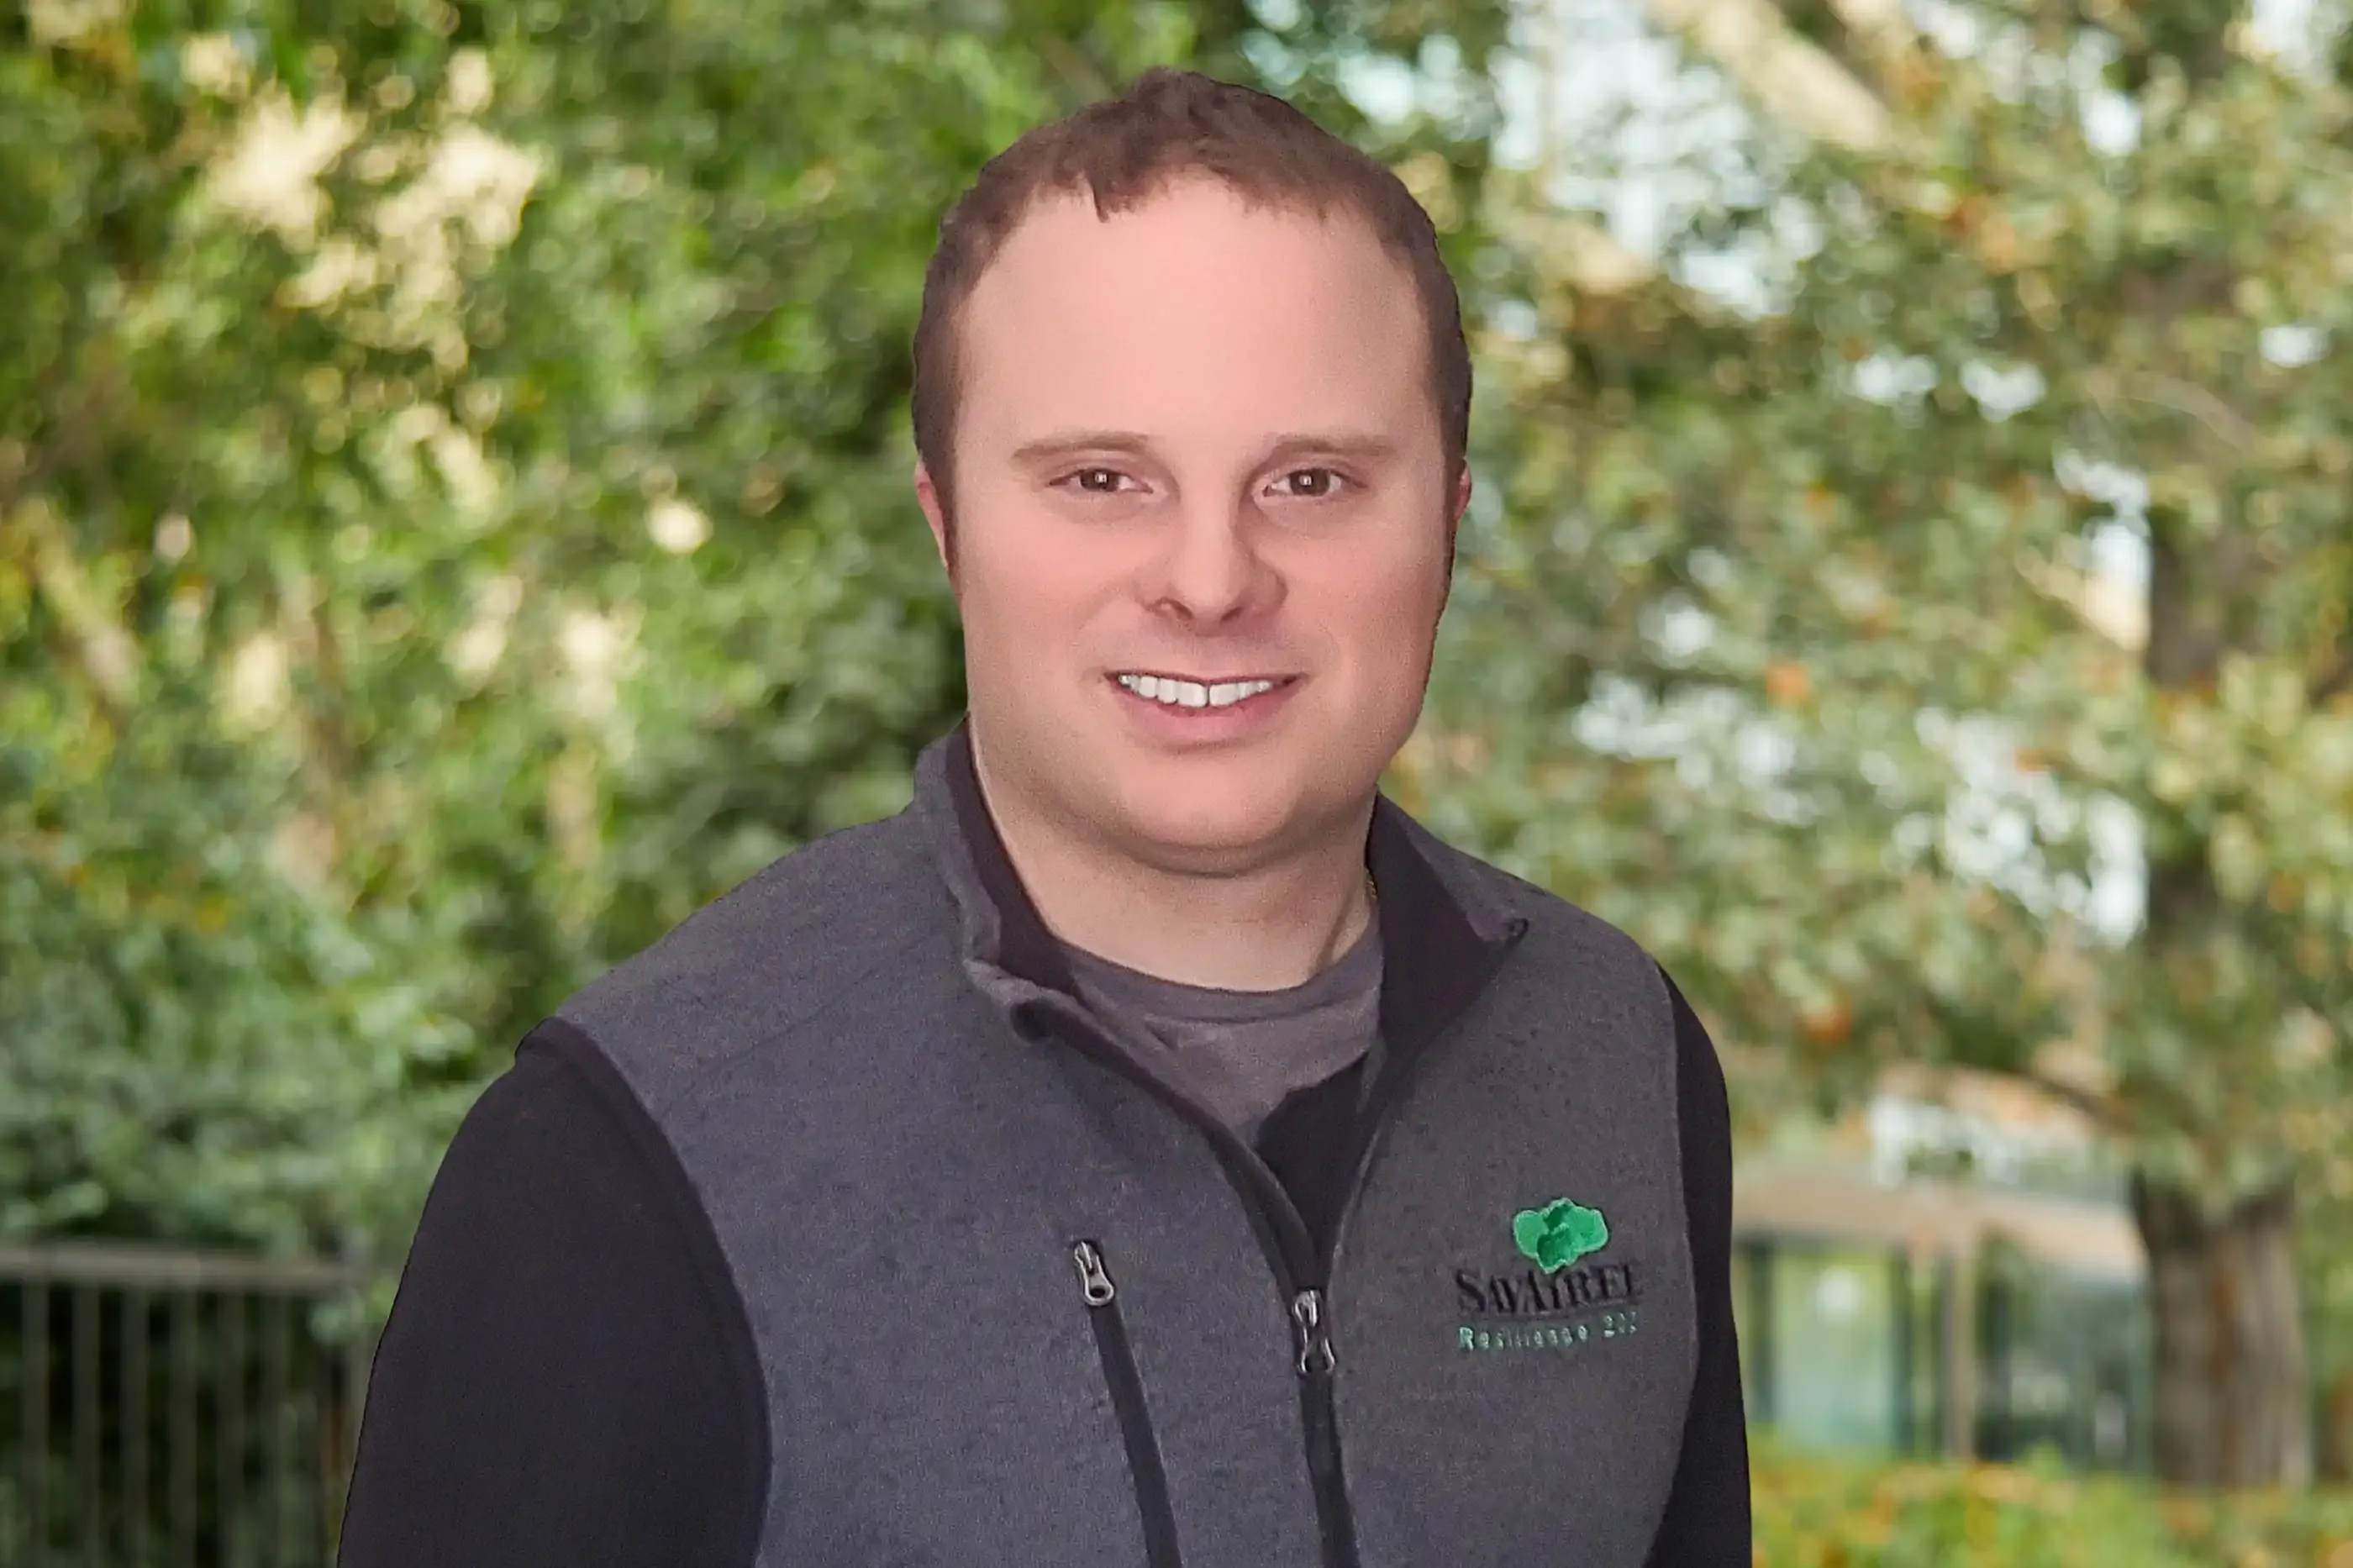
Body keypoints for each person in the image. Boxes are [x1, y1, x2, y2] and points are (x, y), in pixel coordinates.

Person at [337, 64, 1750, 1568]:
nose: (1212, 580)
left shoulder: (1619, 1061)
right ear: (949, 525)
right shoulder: (615, 1159)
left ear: (1448, 521)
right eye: (1100, 478)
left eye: (1314, 479)